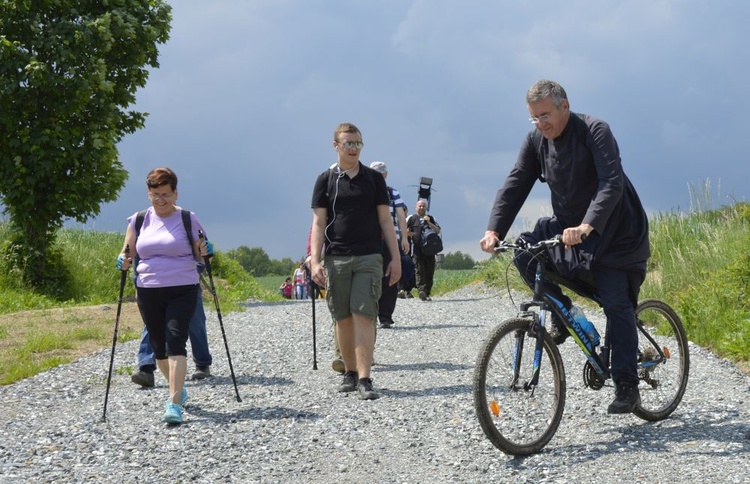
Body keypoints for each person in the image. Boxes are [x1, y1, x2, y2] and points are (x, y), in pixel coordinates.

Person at [479, 79, 650, 415]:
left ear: (564, 106)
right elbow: (515, 185)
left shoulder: (595, 130)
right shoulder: (536, 141)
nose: (541, 124)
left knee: (617, 305)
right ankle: (561, 312)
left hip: (617, 232)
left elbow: (611, 183)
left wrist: (589, 224)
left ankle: (628, 386)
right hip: (572, 227)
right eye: (534, 118)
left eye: (545, 115)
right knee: (526, 251)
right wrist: (493, 230)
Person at [309, 122, 401, 400]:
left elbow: (386, 220)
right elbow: (318, 222)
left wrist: (395, 257)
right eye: (348, 143)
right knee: (342, 316)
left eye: (357, 143)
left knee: (364, 315)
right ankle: (349, 372)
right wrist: (315, 261)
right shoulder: (326, 180)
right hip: (336, 257)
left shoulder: (374, 179)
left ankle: (364, 378)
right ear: (336, 145)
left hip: (369, 256)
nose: (353, 149)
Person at [117, 167, 210, 424]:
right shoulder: (138, 219)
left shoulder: (188, 219)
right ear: (148, 194)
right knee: (158, 349)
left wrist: (204, 250)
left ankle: (173, 403)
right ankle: (178, 390)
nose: (161, 200)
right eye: (156, 194)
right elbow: (128, 251)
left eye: (166, 194)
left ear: (176, 193)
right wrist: (123, 260)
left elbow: (200, 252)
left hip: (183, 287)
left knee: (175, 341)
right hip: (148, 289)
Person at [130, 287, 213, 387]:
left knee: (195, 319)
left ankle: (202, 363)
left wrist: (197, 271)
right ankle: (146, 367)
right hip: (153, 281)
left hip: (185, 280)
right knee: (152, 322)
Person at [369, 161, 410, 328]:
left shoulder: (393, 192)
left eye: (381, 174)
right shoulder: (366, 191)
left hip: (389, 239)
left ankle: (385, 316)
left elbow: (401, 215)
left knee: (390, 277)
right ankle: (372, 315)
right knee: (372, 277)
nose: (379, 176)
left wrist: (405, 238)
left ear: (385, 176)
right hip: (370, 240)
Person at [407, 199, 441, 301]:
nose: (421, 208)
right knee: (419, 270)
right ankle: (421, 291)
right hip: (417, 250)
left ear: (426, 207)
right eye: (420, 206)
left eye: (423, 206)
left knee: (429, 272)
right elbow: (404, 231)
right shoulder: (411, 218)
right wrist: (410, 234)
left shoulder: (431, 218)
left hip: (430, 250)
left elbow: (438, 230)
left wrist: (429, 222)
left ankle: (427, 292)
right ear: (416, 207)